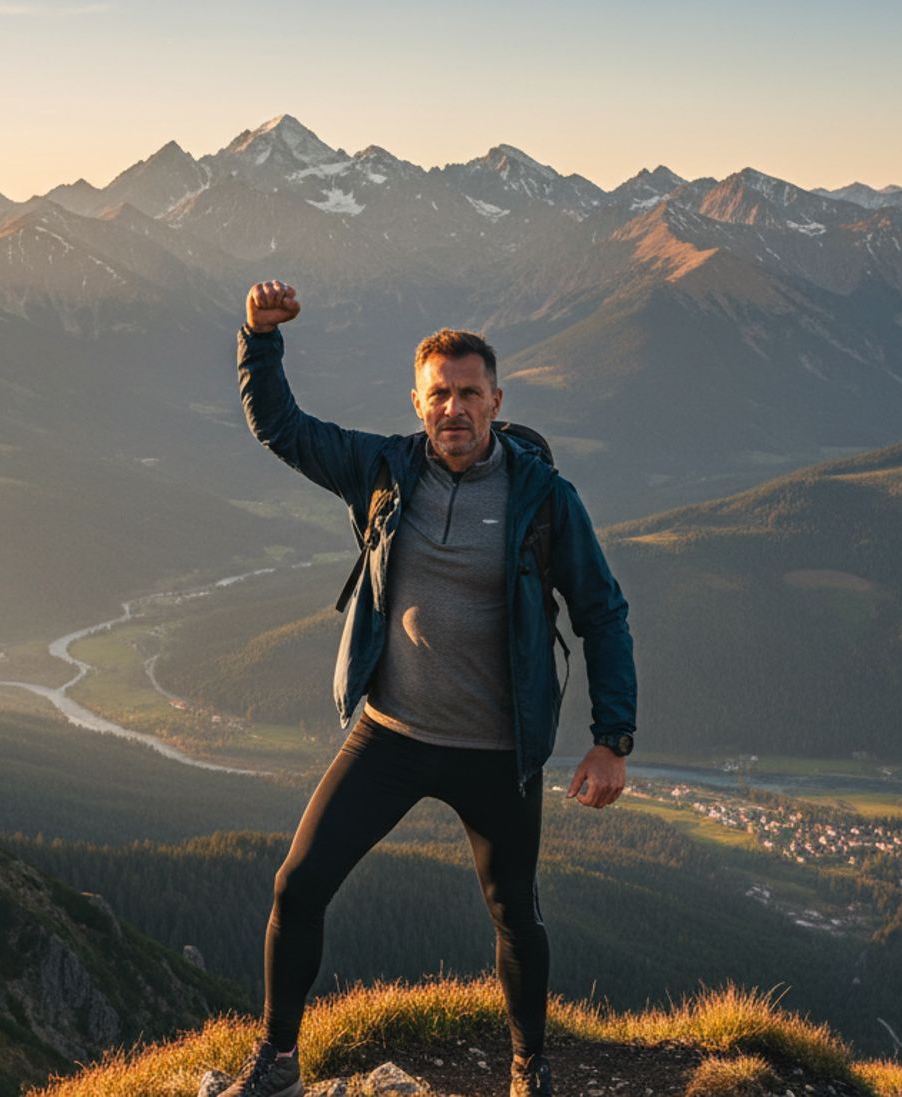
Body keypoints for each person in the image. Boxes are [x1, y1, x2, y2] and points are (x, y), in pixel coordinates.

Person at [217, 280, 637, 1097]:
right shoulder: (383, 469)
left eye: (470, 392)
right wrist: (259, 337)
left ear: (497, 400)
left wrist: (611, 738)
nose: (454, 407)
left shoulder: (544, 499)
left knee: (515, 909)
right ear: (417, 401)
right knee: (297, 886)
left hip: (496, 750)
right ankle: (276, 1061)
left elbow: (603, 613)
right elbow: (282, 429)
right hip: (392, 734)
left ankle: (530, 1066)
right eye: (439, 392)